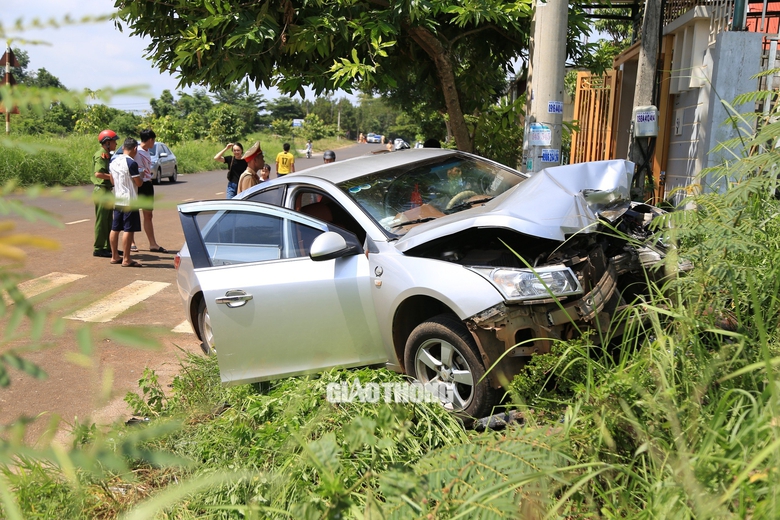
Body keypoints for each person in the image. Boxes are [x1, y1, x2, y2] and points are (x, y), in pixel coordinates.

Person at [108, 138, 144, 267]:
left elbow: (112, 180)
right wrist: (142, 177)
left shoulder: (113, 161)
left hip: (118, 198)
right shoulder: (131, 163)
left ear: (123, 148)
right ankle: (127, 258)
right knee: (128, 229)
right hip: (130, 199)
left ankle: (114, 256)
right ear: (135, 149)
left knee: (115, 228)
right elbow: (138, 183)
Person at [134, 128, 168, 253]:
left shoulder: (147, 151)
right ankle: (131, 242)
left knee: (148, 215)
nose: (153, 143)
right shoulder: (136, 151)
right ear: (150, 140)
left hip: (148, 184)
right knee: (133, 214)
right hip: (138, 184)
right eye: (153, 140)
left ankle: (153, 244)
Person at [92, 129, 120, 257]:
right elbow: (98, 173)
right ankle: (98, 248)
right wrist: (113, 177)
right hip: (101, 191)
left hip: (107, 191)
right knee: (102, 221)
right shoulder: (101, 154)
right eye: (114, 141)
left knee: (109, 221)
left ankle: (109, 247)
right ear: (107, 142)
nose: (116, 144)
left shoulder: (107, 154)